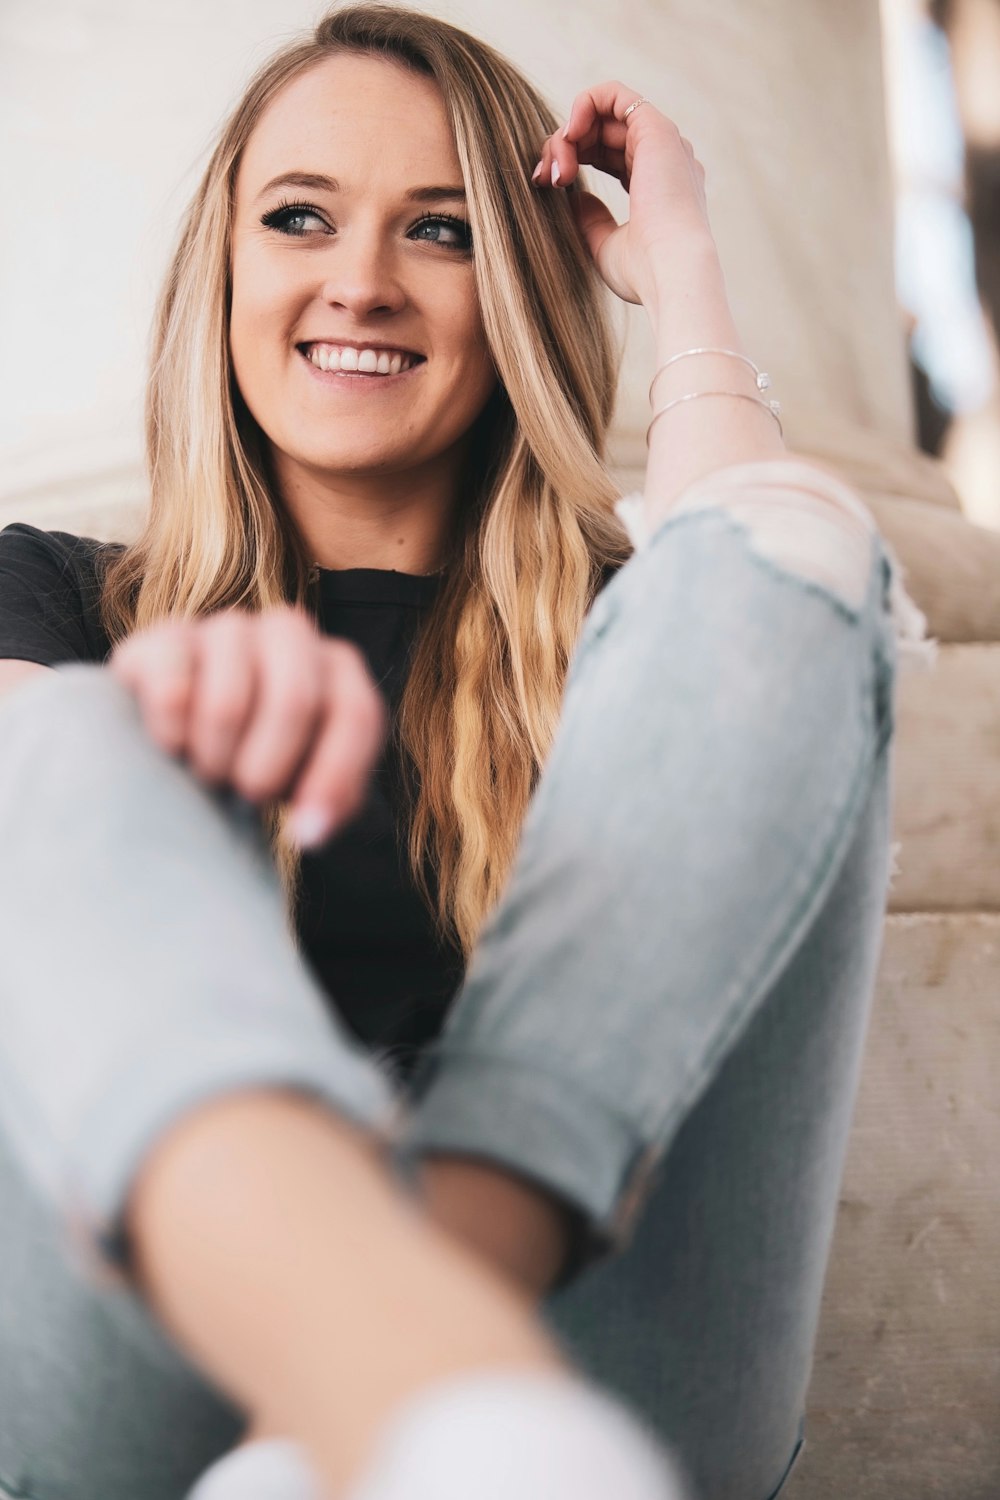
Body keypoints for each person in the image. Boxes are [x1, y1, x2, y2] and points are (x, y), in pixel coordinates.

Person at [0, 5, 923, 1499]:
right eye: (299, 217)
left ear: (516, 287)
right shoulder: (51, 590)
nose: (359, 281)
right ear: (222, 270)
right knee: (52, 748)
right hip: (151, 1366)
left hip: (593, 1362)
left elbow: (762, 592)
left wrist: (682, 271)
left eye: (440, 231)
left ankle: (420, 1374)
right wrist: (162, 739)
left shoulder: (636, 641)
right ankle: (414, 1381)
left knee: (793, 555)